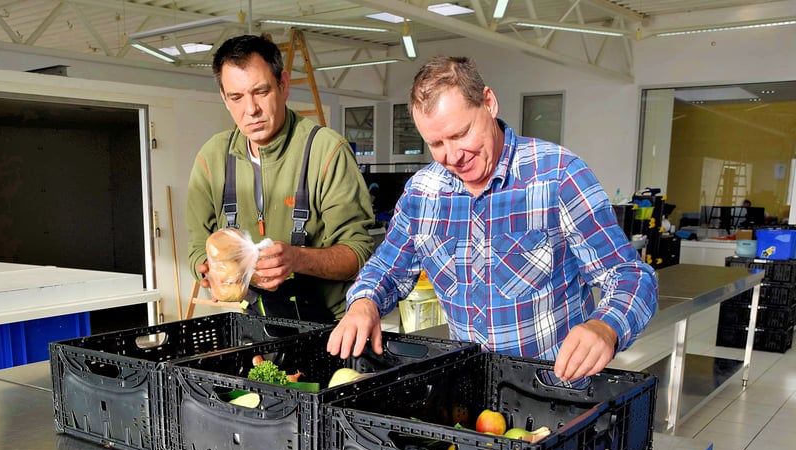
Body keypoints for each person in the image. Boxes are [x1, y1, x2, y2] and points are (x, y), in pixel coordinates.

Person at [328, 56, 657, 382]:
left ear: (489, 103)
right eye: (436, 144)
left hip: (556, 395)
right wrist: (364, 302)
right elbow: (386, 269)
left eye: (461, 134)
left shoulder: (558, 176)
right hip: (471, 394)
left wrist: (605, 326)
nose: (453, 156)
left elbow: (629, 275)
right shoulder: (423, 193)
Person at [186, 34, 375, 322]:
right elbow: (198, 247)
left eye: (261, 92)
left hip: (328, 327)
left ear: (283, 85)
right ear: (225, 98)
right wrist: (209, 271)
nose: (251, 110)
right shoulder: (212, 158)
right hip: (253, 322)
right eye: (236, 97)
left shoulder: (326, 152)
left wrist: (297, 259)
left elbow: (358, 254)